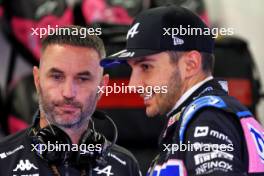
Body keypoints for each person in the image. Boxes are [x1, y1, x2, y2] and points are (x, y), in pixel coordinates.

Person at [100, 5, 264, 176]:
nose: (133, 85)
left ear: (190, 64)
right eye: (131, 69)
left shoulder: (208, 119)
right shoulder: (206, 114)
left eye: (146, 66)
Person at [0, 26, 141, 176]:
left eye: (82, 79)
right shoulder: (3, 160)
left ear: (102, 86)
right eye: (57, 77)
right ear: (37, 80)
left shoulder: (124, 165)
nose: (68, 93)